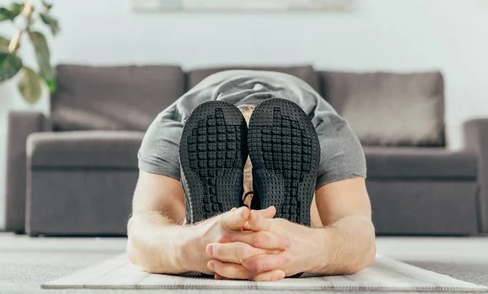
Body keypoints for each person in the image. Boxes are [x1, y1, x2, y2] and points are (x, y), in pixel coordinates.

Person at [127, 70, 376, 281]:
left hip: (297, 118)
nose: (250, 229)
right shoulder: (177, 127)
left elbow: (361, 240)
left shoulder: (325, 129)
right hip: (206, 118)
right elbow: (140, 238)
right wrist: (199, 245)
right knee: (320, 223)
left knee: (322, 226)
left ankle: (294, 227)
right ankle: (290, 223)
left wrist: (312, 248)